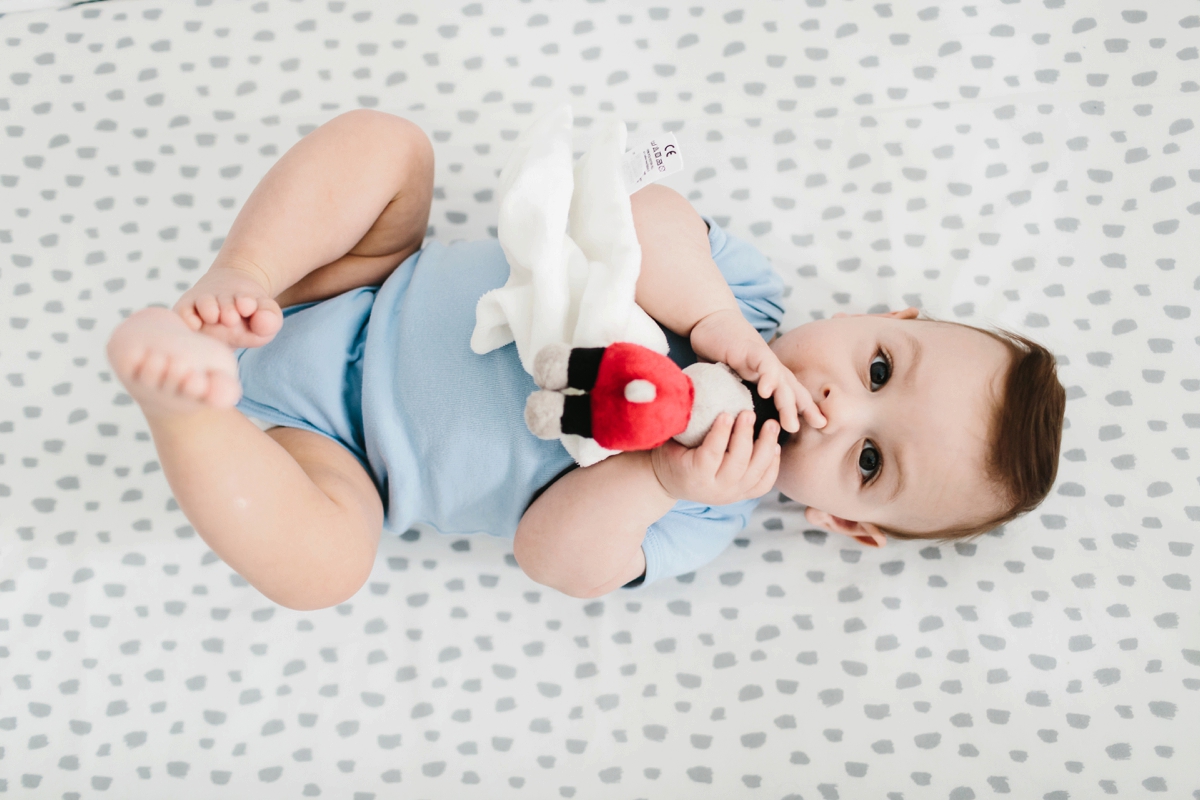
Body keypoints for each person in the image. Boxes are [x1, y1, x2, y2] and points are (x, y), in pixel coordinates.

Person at [106, 110, 1066, 609]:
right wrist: (716, 323)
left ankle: (186, 408)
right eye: (879, 370)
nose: (829, 404)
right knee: (390, 148)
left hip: (344, 457)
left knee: (326, 568)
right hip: (358, 281)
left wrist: (661, 474)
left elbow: (554, 558)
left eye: (868, 459)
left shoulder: (701, 520)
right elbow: (640, 215)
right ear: (883, 314)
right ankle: (242, 277)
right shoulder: (751, 295)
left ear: (847, 523)